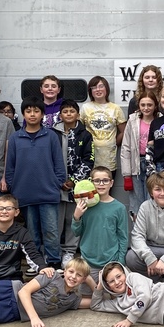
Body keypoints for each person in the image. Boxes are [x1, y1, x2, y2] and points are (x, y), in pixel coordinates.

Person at [4, 97, 66, 267]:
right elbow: (10, 166)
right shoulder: (16, 138)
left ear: (42, 114)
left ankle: (53, 263)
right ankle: (36, 263)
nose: (32, 114)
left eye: (36, 111)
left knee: (51, 232)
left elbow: (58, 164)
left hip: (48, 193)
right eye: (28, 111)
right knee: (32, 233)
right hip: (25, 193)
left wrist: (58, 182)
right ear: (23, 114)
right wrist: (12, 186)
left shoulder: (51, 136)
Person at [0, 194, 49, 282]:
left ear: (16, 212)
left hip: (12, 279)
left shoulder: (22, 233)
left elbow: (33, 254)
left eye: (9, 208)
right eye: (0, 208)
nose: (4, 211)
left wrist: (42, 267)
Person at [54, 99, 94, 264]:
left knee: (73, 219)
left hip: (76, 187)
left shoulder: (85, 134)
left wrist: (73, 180)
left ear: (78, 114)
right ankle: (54, 252)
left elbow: (89, 160)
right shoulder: (51, 133)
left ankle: (69, 252)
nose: (69, 114)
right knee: (55, 221)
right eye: (65, 111)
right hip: (55, 186)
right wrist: (56, 180)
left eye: (72, 111)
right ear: (60, 115)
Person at [71, 166, 129, 281]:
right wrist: (76, 216)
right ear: (91, 182)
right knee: (88, 296)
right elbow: (76, 232)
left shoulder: (119, 208)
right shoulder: (85, 205)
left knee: (114, 294)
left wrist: (120, 261)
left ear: (111, 183)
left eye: (105, 180)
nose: (101, 184)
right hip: (88, 261)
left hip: (111, 261)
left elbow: (123, 237)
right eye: (97, 181)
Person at [120, 92, 157, 218]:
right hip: (135, 164)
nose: (146, 108)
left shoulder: (160, 120)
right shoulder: (133, 120)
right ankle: (138, 235)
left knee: (152, 201)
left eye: (149, 105)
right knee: (137, 204)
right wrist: (126, 175)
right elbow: (125, 147)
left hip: (153, 165)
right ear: (139, 106)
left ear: (155, 106)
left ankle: (151, 235)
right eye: (143, 105)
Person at [81, 75, 126, 174]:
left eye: (101, 86)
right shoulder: (85, 107)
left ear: (107, 89)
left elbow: (123, 131)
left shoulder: (115, 108)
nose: (98, 90)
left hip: (108, 158)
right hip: (89, 156)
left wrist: (114, 143)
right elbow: (79, 130)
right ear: (90, 91)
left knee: (106, 185)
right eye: (94, 87)